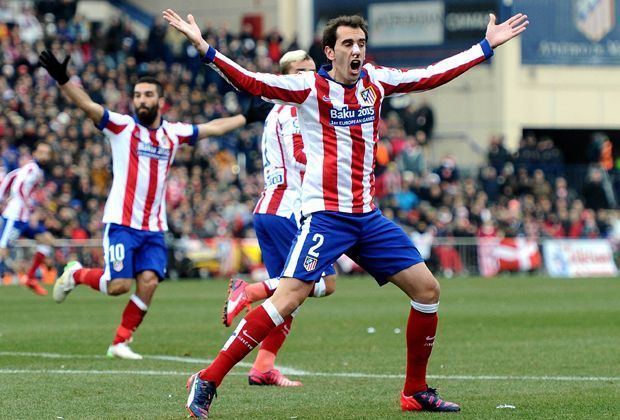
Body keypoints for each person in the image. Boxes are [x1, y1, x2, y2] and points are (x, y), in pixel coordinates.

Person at [164, 9, 528, 417]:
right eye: (348, 44)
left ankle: (414, 391)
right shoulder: (308, 87)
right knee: (289, 297)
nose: (357, 51)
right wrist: (204, 48)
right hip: (327, 217)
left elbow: (431, 74)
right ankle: (209, 380)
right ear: (330, 51)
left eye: (361, 44)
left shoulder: (377, 81)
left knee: (427, 291)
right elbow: (252, 81)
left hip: (368, 218)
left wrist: (484, 46)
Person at [38, 49, 223, 360]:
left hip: (154, 227)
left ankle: (120, 342)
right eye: (137, 95)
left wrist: (248, 115)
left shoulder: (173, 134)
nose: (142, 100)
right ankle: (75, 274)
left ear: (161, 101)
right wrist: (63, 79)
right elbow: (86, 105)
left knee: (149, 282)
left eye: (148, 95)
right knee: (118, 286)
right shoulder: (123, 127)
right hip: (122, 222)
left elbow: (214, 128)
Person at [198, 50, 337, 386]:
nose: (309, 77)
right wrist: (337, 152)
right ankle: (249, 290)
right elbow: (301, 156)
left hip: (272, 210)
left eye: (311, 70)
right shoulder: (292, 111)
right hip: (289, 210)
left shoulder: (281, 111)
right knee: (324, 284)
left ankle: (262, 367)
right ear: (285, 77)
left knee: (288, 299)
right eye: (300, 72)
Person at [0, 141, 55, 296]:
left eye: (47, 153)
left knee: (47, 239)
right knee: (2, 251)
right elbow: (19, 189)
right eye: (41, 152)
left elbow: (12, 177)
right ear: (35, 154)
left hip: (25, 218)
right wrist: (30, 210)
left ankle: (30, 278)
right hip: (15, 217)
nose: (44, 156)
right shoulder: (32, 169)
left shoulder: (35, 170)